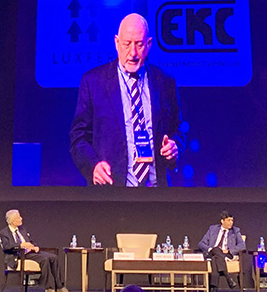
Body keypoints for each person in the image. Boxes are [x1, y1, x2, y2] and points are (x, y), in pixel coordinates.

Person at [69, 13, 185, 186]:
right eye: (126, 44)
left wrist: (175, 146)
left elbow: (178, 127)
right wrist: (93, 166)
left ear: (149, 44)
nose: (133, 53)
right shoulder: (93, 82)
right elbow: (78, 137)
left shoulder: (165, 81)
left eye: (139, 44)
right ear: (117, 43)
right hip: (111, 191)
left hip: (156, 190)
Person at [0, 209, 73, 292]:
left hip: (29, 253)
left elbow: (30, 241)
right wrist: (21, 245)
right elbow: (7, 246)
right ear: (12, 221)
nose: (21, 218)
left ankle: (60, 287)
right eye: (18, 217)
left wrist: (34, 246)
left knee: (53, 257)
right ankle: (49, 289)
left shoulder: (22, 229)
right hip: (17, 255)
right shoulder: (4, 233)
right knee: (44, 260)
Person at [197, 210, 245, 292]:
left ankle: (213, 291)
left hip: (227, 254)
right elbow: (201, 244)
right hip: (213, 252)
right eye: (228, 220)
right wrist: (210, 249)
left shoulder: (235, 231)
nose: (231, 222)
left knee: (215, 259)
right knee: (216, 250)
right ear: (222, 221)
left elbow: (242, 245)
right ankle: (228, 277)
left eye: (232, 220)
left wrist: (229, 250)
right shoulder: (213, 229)